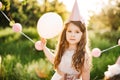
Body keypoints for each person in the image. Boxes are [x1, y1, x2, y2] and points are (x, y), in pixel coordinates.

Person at [36, 0, 91, 80]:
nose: (72, 34)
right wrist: (44, 48)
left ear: (82, 35)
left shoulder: (84, 55)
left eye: (77, 32)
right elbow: (55, 60)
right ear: (65, 33)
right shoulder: (63, 48)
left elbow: (86, 77)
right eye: (69, 31)